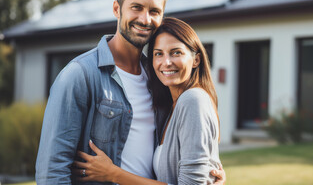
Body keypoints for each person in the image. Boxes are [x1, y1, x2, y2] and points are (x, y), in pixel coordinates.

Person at [35, 0, 225, 184]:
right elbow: (52, 171)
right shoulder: (80, 74)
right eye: (137, 8)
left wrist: (210, 172)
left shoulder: (160, 79)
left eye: (154, 11)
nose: (145, 19)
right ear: (117, 9)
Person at [72, 17, 222, 184]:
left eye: (176, 52)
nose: (166, 62)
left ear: (196, 60)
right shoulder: (170, 107)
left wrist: (112, 173)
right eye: (159, 54)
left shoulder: (193, 100)